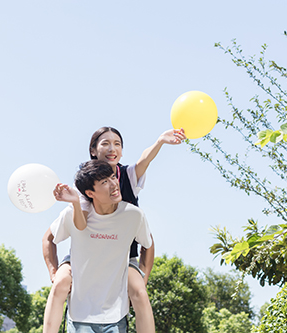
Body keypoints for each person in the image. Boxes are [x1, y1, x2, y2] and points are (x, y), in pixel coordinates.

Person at [42, 127, 186, 333]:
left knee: (138, 291)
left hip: (124, 256)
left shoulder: (127, 176)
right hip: (86, 258)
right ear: (93, 150)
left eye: (117, 144)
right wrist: (54, 272)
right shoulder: (84, 183)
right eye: (105, 143)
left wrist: (160, 142)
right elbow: (80, 225)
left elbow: (145, 160)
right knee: (61, 284)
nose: (112, 148)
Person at [49, 159, 152, 333]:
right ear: (90, 193)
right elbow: (49, 239)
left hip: (115, 318)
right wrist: (54, 272)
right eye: (105, 182)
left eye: (113, 177)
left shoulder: (134, 215)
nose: (114, 184)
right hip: (80, 318)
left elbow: (148, 244)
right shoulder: (72, 215)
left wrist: (143, 277)